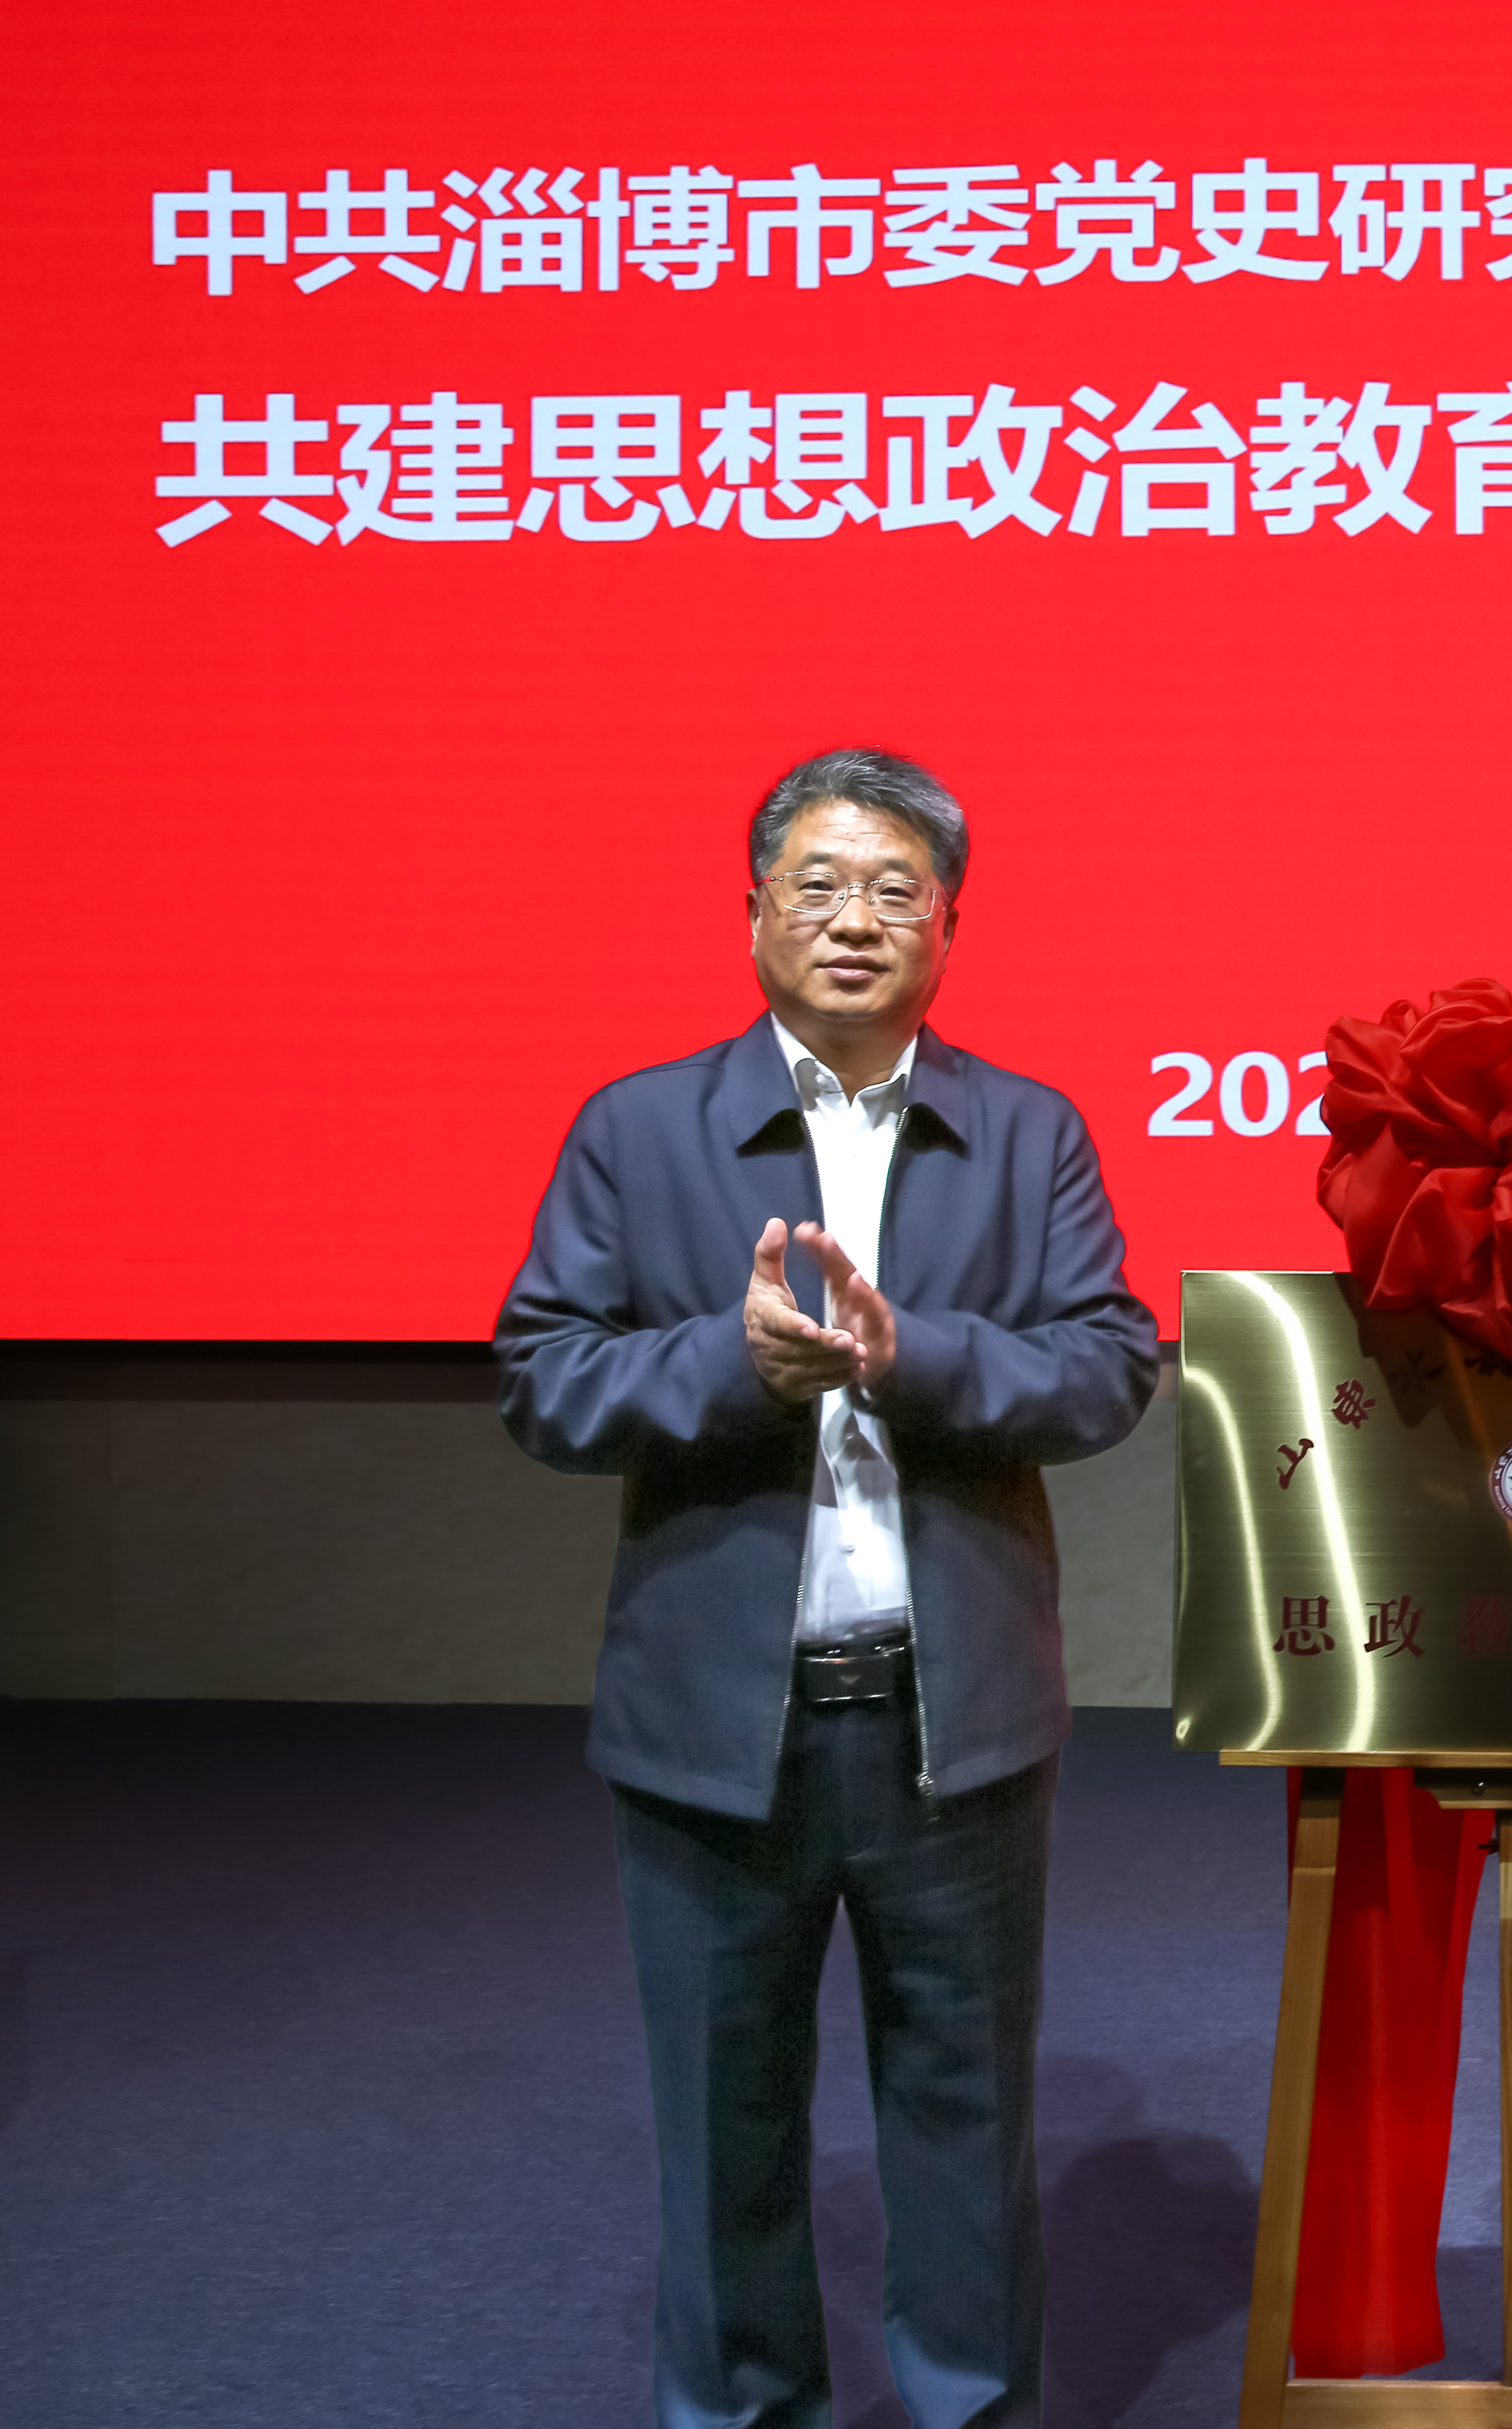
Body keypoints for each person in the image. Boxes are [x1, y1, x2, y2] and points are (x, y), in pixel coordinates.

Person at [494, 747, 1159, 2429]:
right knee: (722, 2119)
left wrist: (905, 1355)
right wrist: (735, 1369)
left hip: (955, 1725)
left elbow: (1105, 1368)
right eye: (818, 883)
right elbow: (544, 1381)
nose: (854, 918)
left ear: (947, 926)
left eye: (893, 890)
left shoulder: (1029, 1131)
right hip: (715, 1726)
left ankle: (968, 2409)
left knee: (964, 2113)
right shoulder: (637, 1127)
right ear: (753, 913)